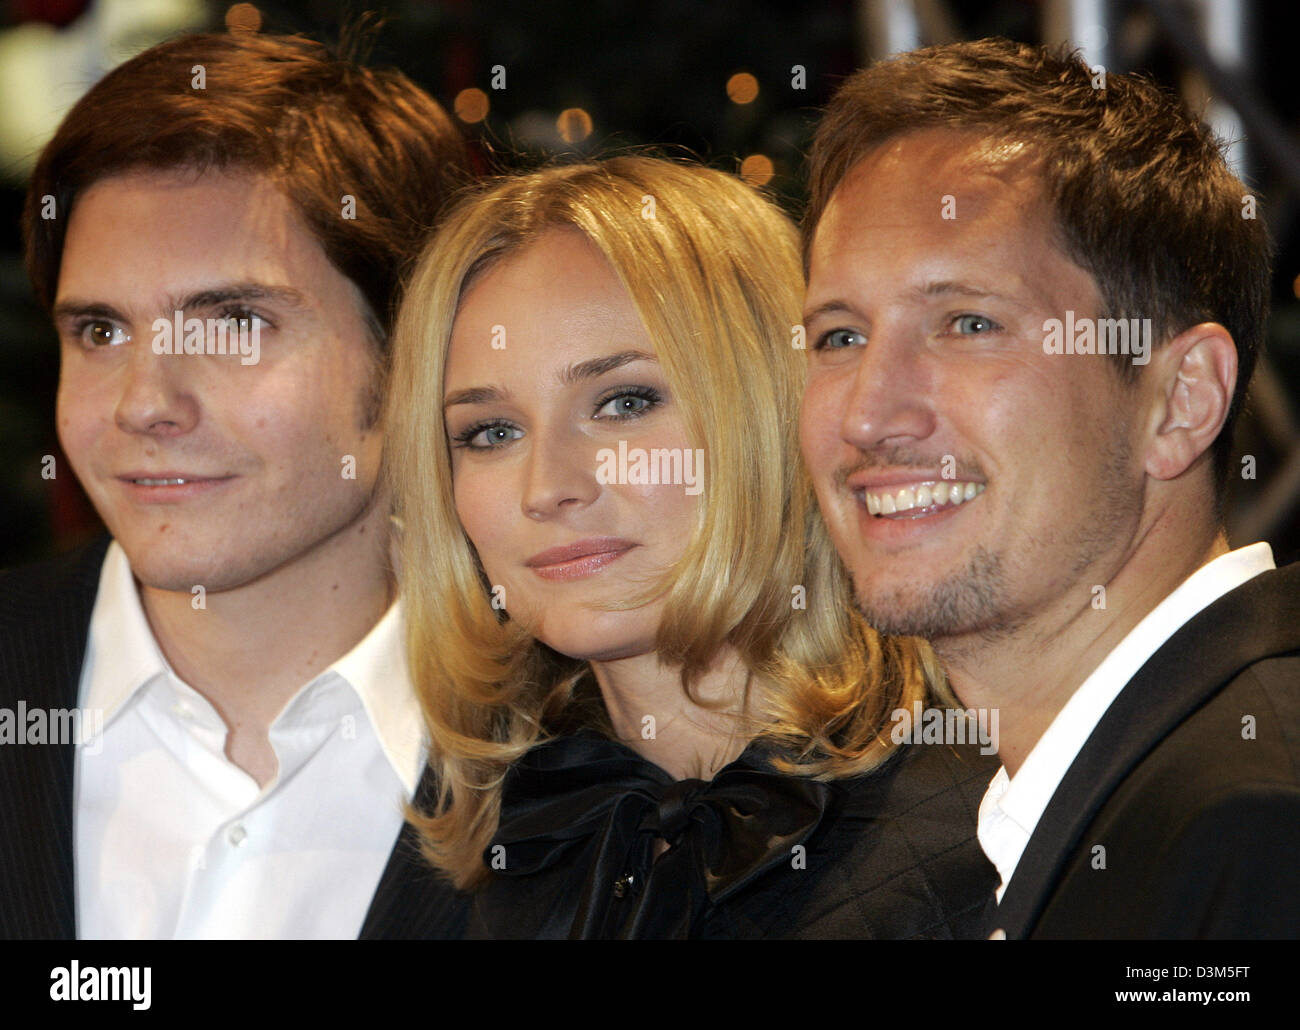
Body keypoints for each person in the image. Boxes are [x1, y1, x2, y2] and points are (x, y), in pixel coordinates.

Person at [385, 155, 999, 939]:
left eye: (624, 402)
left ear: (770, 406)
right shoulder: (499, 847)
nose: (548, 487)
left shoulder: (1000, 822)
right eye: (490, 432)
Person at [800, 38, 1300, 938]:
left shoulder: (1251, 831)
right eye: (839, 336)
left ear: (1181, 401)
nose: (869, 415)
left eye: (967, 323)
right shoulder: (1129, 797)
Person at [1, 28, 473, 939]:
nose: (144, 404)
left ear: (415, 346)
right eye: (100, 332)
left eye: (230, 326)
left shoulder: (599, 767)